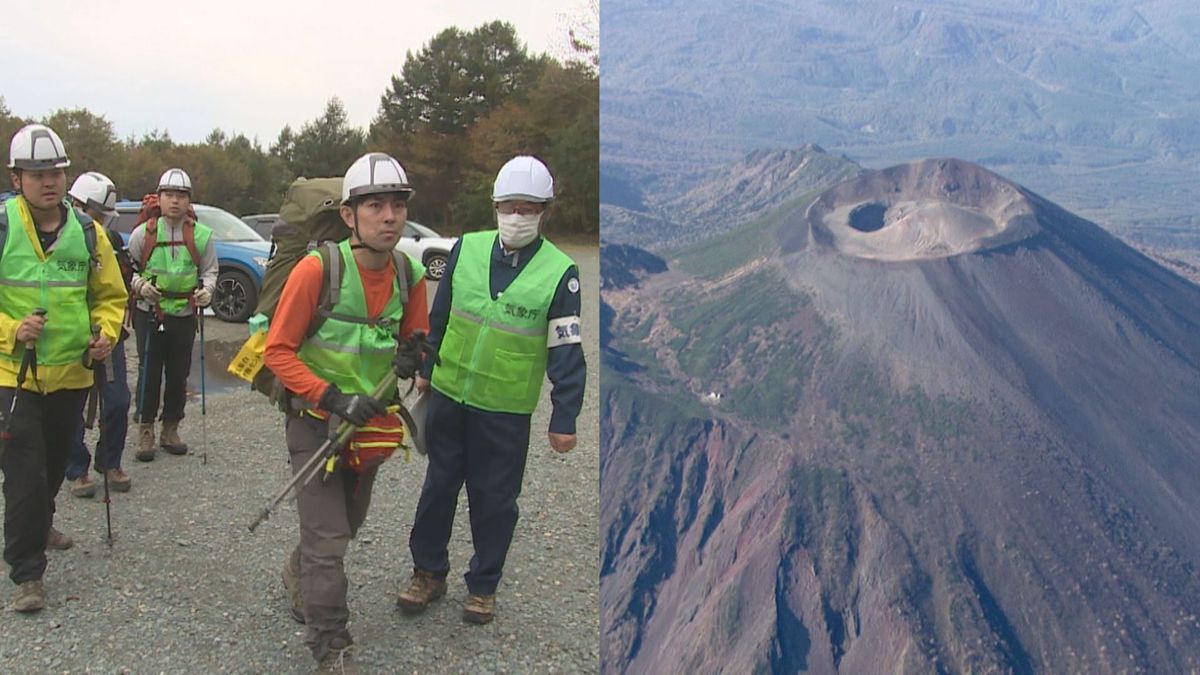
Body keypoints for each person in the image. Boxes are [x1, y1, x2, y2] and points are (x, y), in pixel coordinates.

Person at [397, 155, 586, 625]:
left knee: (494, 501)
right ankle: (427, 573)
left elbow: (566, 350)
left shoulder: (561, 273)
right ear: (494, 205)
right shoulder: (469, 249)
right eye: (508, 206)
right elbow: (440, 317)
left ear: (546, 211)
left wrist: (564, 418)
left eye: (528, 207)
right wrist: (426, 365)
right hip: (449, 396)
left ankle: (483, 587)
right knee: (438, 488)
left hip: (504, 410)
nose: (516, 216)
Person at [263, 151, 430, 672]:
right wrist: (330, 397)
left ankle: (301, 570)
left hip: (371, 429)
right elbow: (277, 352)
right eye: (375, 205)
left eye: (397, 206)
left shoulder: (410, 273)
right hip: (316, 423)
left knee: (343, 528)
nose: (389, 217)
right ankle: (331, 646)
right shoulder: (318, 270)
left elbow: (414, 343)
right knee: (329, 540)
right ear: (349, 215)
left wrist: (414, 355)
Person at [0, 124, 127, 612]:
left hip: (72, 375)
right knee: (25, 470)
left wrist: (105, 333)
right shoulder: (4, 226)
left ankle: (40, 521)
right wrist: (12, 329)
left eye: (55, 172)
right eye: (36, 174)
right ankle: (27, 573)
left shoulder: (89, 234)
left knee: (53, 466)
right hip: (14, 378)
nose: (48, 181)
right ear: (17, 179)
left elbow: (110, 298)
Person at [126, 169, 217, 461]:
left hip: (184, 313)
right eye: (169, 195)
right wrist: (140, 286)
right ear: (160, 198)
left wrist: (208, 291)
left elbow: (210, 270)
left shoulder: (201, 235)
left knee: (179, 373)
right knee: (149, 372)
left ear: (189, 201)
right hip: (149, 312)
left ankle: (171, 428)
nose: (174, 201)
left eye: (180, 196)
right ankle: (145, 430)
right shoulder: (144, 234)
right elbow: (128, 271)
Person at [64, 172, 134, 496]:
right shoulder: (61, 235)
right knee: (71, 405)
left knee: (118, 400)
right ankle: (76, 468)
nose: (102, 223)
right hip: (70, 336)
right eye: (98, 215)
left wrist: (110, 329)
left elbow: (115, 290)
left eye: (106, 217)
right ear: (77, 204)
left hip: (107, 333)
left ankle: (109, 460)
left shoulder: (111, 241)